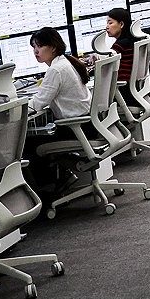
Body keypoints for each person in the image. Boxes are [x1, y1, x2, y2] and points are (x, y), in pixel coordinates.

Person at [25, 27, 91, 192]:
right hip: (86, 125)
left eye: (40, 46)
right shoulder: (65, 63)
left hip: (75, 129)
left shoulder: (55, 70)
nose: (36, 51)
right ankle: (63, 176)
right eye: (34, 47)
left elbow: (37, 104)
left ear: (53, 47)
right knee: (40, 135)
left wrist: (13, 109)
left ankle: (47, 190)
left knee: (27, 144)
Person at [106, 7, 137, 84]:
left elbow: (107, 66)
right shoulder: (132, 40)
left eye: (110, 23)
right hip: (132, 84)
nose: (107, 27)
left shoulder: (119, 46)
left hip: (122, 86)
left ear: (121, 24)